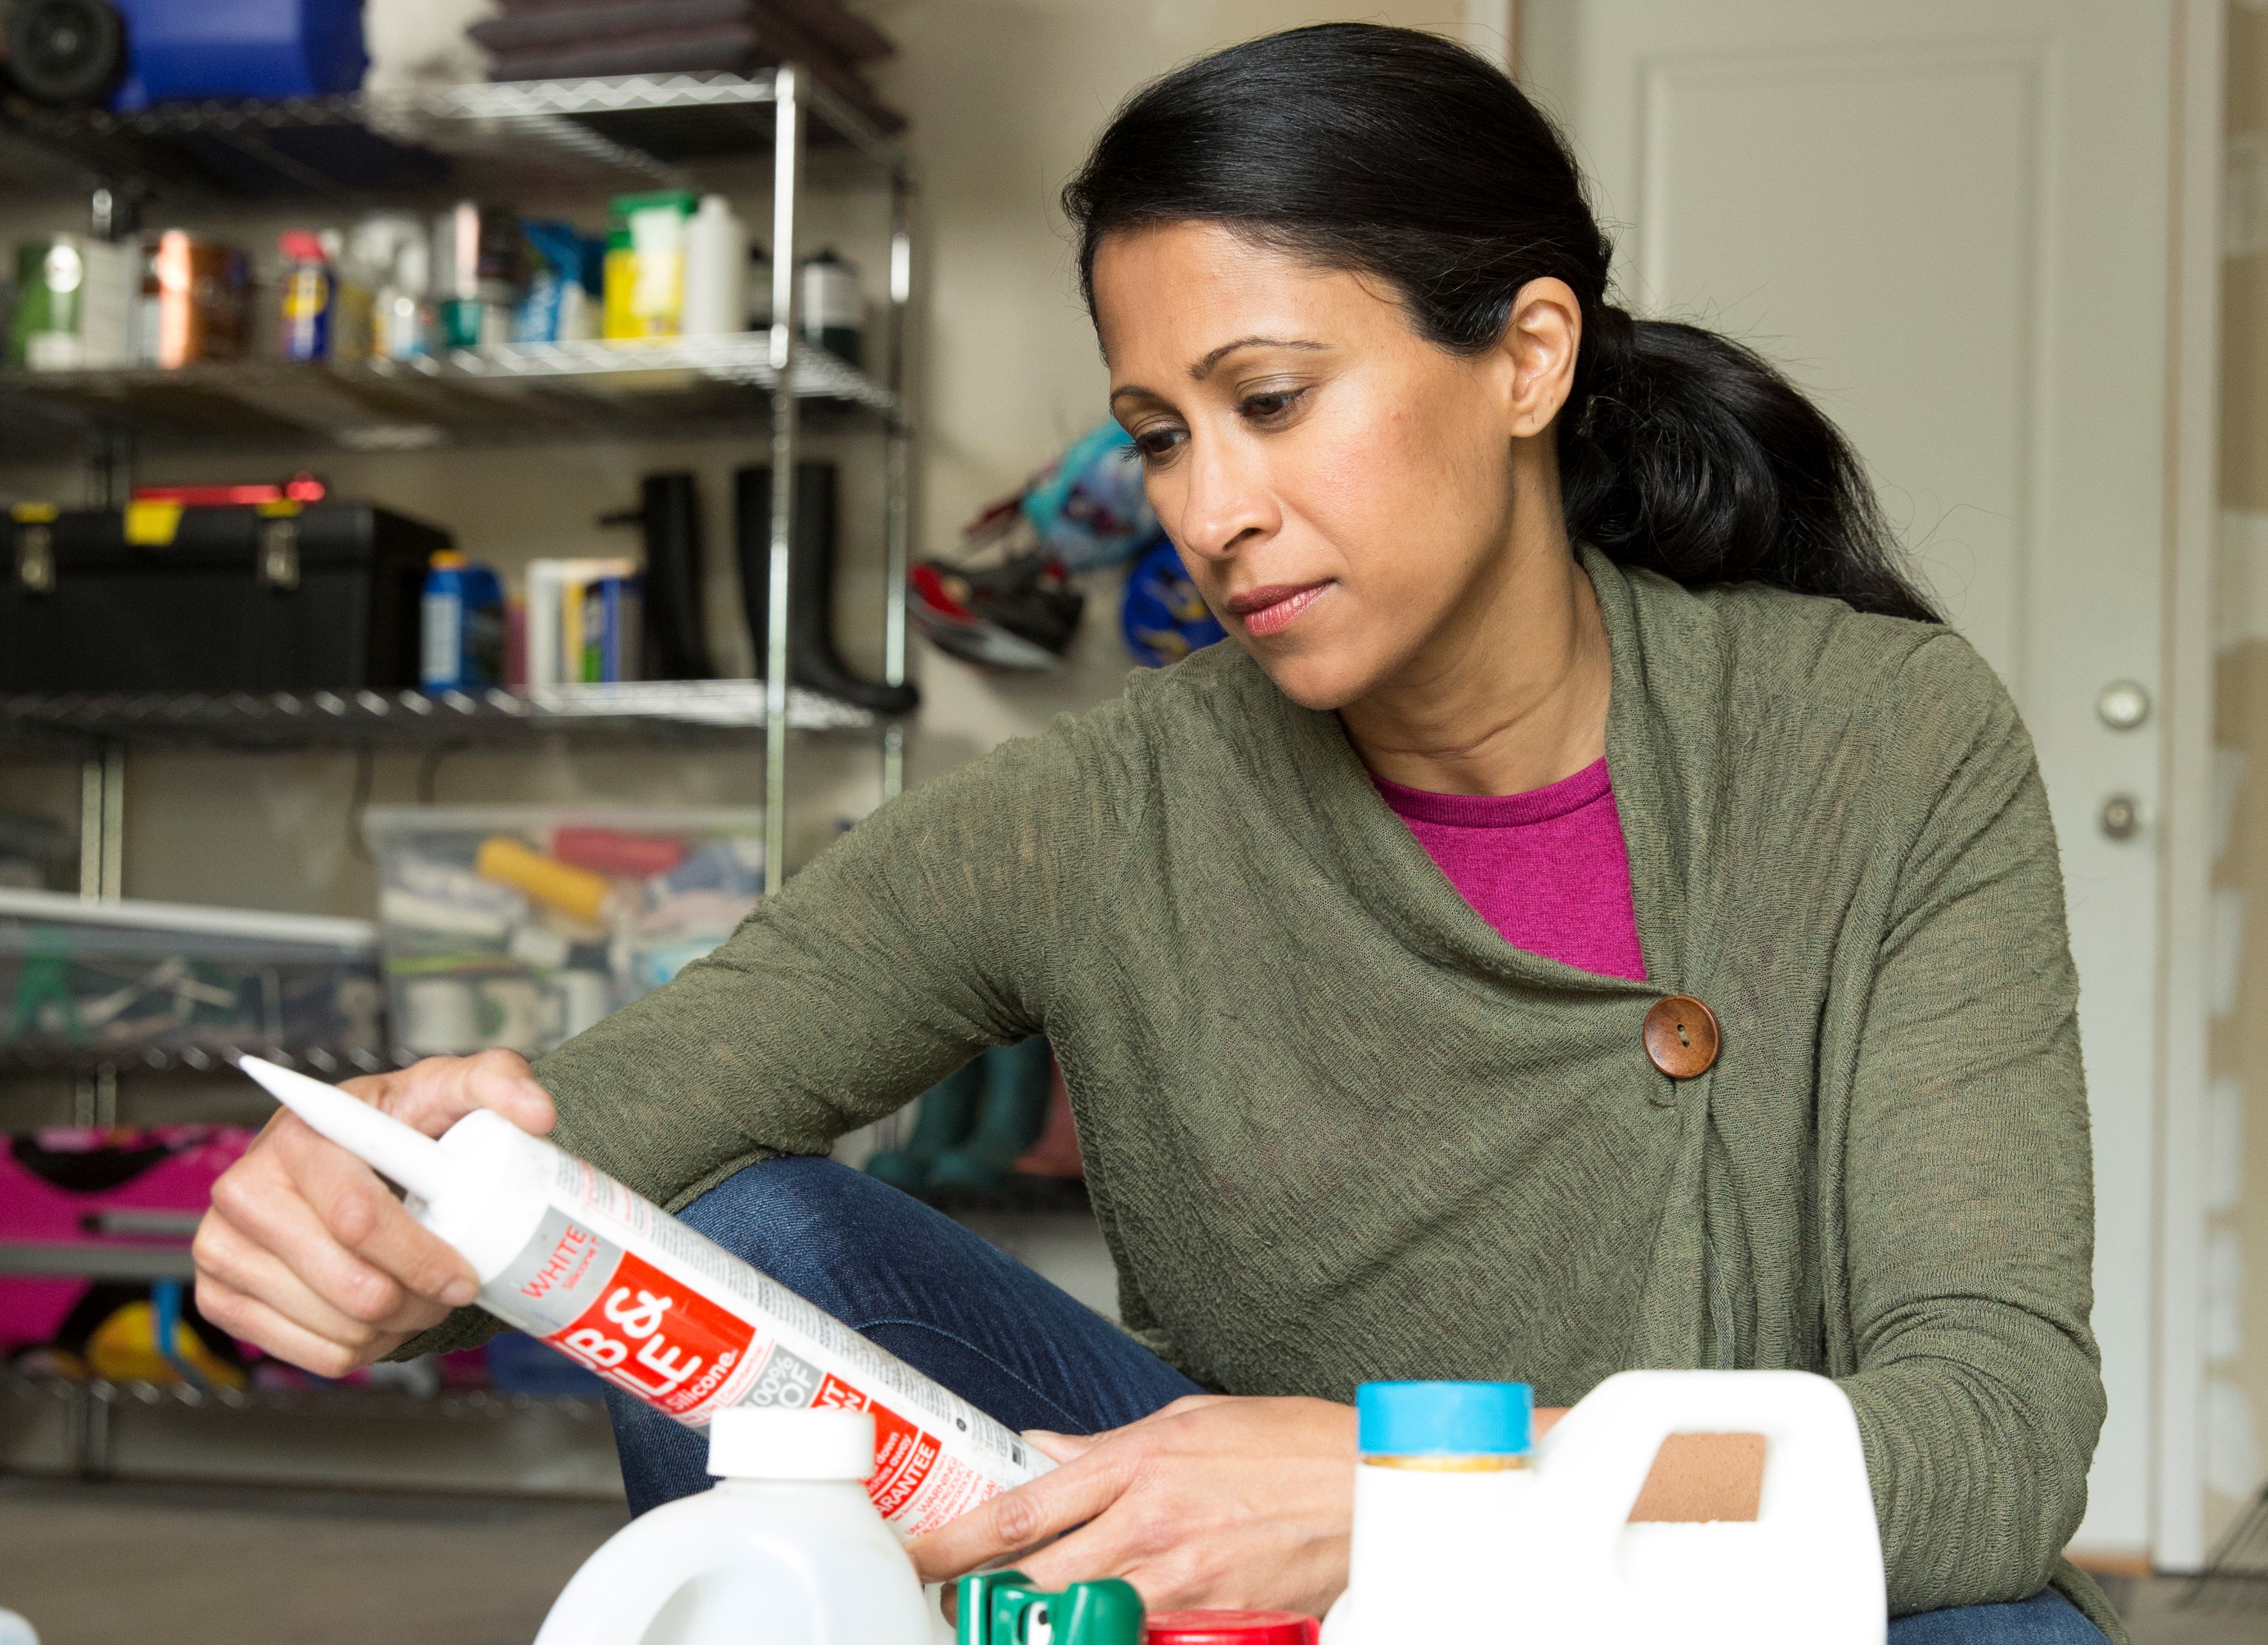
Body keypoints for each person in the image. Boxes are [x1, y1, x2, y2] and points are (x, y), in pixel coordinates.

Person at [194, 24, 2115, 1644]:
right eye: (1162, 433)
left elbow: (1991, 1426)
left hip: (1668, 1586)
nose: (1213, 508)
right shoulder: (1100, 811)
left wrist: (1413, 1492)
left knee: (1990, 1613)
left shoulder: (1875, 741)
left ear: (1528, 358)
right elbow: (636, 1107)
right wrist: (389, 1198)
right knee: (755, 1233)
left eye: (1270, 401)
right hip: (1251, 1600)